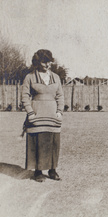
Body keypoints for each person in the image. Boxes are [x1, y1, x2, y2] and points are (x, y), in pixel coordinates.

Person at [21, 49, 64, 182]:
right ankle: (38, 171)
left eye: (49, 62)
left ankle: (52, 170)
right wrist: (30, 112)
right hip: (36, 114)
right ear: (37, 62)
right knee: (36, 142)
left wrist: (59, 111)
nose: (47, 65)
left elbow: (60, 96)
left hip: (53, 116)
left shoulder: (56, 77)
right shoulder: (30, 77)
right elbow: (24, 96)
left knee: (53, 143)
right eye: (44, 62)